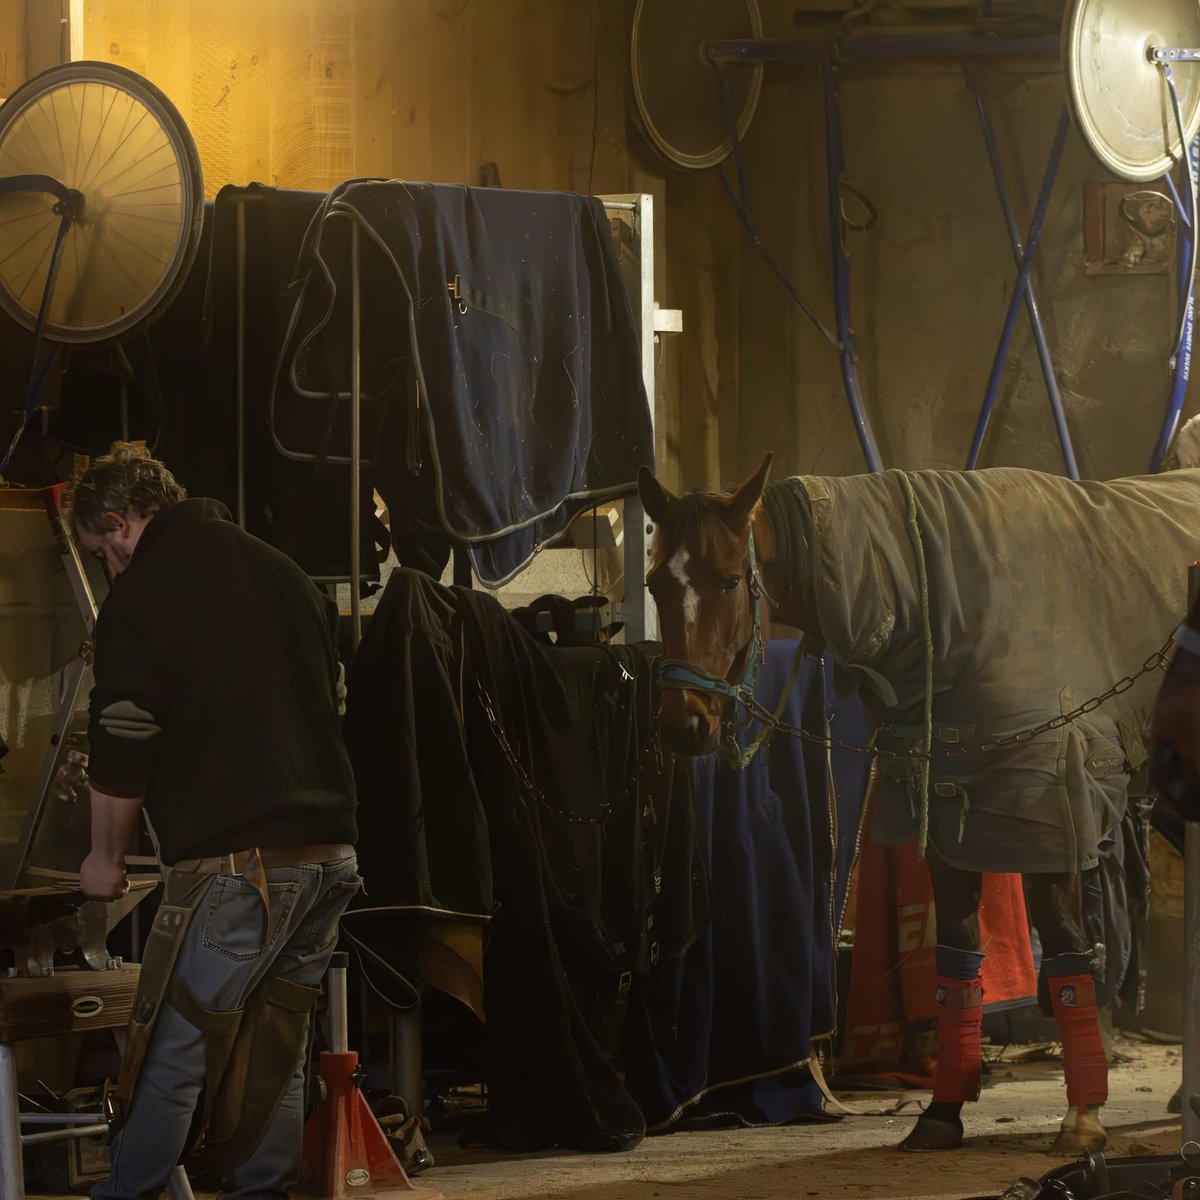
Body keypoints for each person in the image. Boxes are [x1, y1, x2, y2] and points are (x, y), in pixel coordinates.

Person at [72, 445, 359, 1200]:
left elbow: (125, 733)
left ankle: (128, 1196)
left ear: (119, 523)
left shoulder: (143, 594)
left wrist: (105, 858)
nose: (108, 569)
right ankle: (264, 1191)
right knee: (275, 1050)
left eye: (102, 552)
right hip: (331, 856)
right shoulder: (284, 573)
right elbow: (330, 699)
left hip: (241, 870)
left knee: (174, 1048)